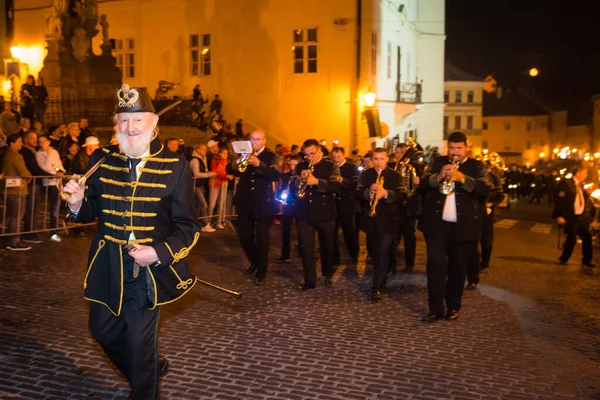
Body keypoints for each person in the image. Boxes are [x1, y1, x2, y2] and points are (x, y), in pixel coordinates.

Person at [61, 85, 201, 399]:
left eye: (137, 120)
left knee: (140, 344)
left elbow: (188, 227)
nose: (130, 127)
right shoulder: (101, 159)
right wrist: (76, 202)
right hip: (107, 262)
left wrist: (158, 253)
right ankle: (147, 370)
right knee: (101, 331)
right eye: (124, 120)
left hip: (147, 273)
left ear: (153, 123)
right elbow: (89, 209)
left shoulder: (175, 167)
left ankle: (144, 385)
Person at [418, 131, 490, 322]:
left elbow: (485, 190)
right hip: (437, 226)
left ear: (466, 148)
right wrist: (439, 175)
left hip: (464, 226)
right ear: (447, 148)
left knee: (458, 269)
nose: (455, 152)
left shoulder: (477, 166)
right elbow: (423, 184)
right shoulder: (436, 162)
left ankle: (453, 306)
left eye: (459, 148)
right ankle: (435, 308)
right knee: (436, 266)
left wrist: (463, 178)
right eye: (451, 148)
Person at [226, 130, 281, 286]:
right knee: (244, 235)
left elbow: (276, 175)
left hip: (263, 202)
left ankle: (262, 271)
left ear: (264, 140)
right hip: (245, 201)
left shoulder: (272, 156)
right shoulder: (243, 152)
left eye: (258, 139)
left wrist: (259, 164)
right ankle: (256, 261)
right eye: (252, 139)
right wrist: (237, 161)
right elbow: (229, 169)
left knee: (262, 238)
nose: (254, 142)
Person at [356, 148, 403, 302]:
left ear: (387, 159)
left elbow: (402, 195)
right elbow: (357, 192)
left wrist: (386, 194)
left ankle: (375, 287)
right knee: (374, 251)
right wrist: (369, 192)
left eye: (382, 159)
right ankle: (382, 274)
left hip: (389, 220)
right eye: (375, 159)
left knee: (383, 250)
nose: (378, 162)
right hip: (371, 219)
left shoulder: (395, 175)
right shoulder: (366, 174)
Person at [294, 139, 341, 290]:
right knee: (306, 248)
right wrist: (299, 179)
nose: (309, 158)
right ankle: (310, 280)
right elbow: (291, 184)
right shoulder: (301, 166)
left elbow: (335, 186)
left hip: (325, 212)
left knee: (327, 246)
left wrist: (317, 182)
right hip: (304, 212)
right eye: (306, 155)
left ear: (320, 151)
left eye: (312, 154)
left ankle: (327, 274)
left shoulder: (331, 166)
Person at [553, 166, 596, 268]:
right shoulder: (566, 183)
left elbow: (581, 197)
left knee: (586, 236)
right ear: (578, 173)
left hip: (580, 217)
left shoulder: (580, 185)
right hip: (570, 216)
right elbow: (559, 200)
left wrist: (588, 192)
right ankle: (564, 258)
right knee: (572, 238)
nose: (586, 175)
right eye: (584, 173)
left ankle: (587, 259)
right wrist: (558, 215)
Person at [3, 134, 33, 251]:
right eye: (19, 141)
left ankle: (12, 240)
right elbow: (23, 171)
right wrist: (29, 177)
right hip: (17, 190)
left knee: (13, 216)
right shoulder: (16, 156)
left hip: (10, 190)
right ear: (12, 143)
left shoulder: (7, 155)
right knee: (16, 217)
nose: (21, 144)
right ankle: (14, 242)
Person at [331, 147, 360, 265]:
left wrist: (342, 180)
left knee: (349, 232)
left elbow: (355, 185)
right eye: (334, 157)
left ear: (343, 156)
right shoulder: (331, 168)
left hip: (347, 204)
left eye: (339, 157)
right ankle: (335, 258)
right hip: (333, 204)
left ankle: (354, 254)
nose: (337, 159)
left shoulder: (351, 168)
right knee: (332, 233)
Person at [36, 134, 65, 242]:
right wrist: (47, 155)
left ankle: (54, 229)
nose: (42, 143)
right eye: (40, 142)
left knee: (56, 207)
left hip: (57, 182)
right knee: (52, 207)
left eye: (44, 141)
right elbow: (46, 168)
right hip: (48, 183)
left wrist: (60, 172)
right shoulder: (39, 154)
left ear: (48, 141)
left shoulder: (54, 152)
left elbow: (58, 165)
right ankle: (53, 231)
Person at [278, 155, 301, 262]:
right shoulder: (286, 175)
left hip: (299, 203)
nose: (292, 167)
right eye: (291, 164)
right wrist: (281, 193)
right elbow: (281, 188)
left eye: (295, 165)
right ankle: (285, 254)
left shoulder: (302, 175)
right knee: (285, 229)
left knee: (301, 229)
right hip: (288, 204)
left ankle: (303, 252)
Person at [189, 143, 216, 232]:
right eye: (203, 149)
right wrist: (209, 174)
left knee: (198, 205)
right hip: (195, 185)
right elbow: (196, 173)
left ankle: (197, 223)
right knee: (203, 204)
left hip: (200, 185)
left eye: (205, 149)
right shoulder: (195, 160)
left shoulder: (202, 159)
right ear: (198, 150)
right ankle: (204, 224)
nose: (205, 151)